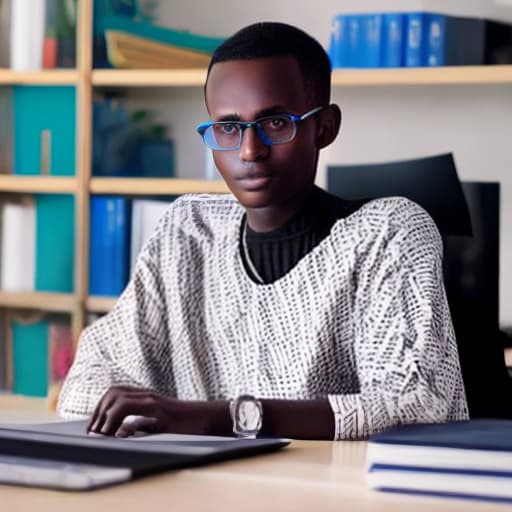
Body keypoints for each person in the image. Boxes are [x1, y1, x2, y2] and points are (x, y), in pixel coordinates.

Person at [58, 22, 468, 440]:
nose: (250, 151)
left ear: (324, 127)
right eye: (228, 128)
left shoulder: (389, 233)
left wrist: (215, 417)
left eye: (274, 123)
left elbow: (415, 406)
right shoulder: (188, 232)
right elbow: (88, 382)